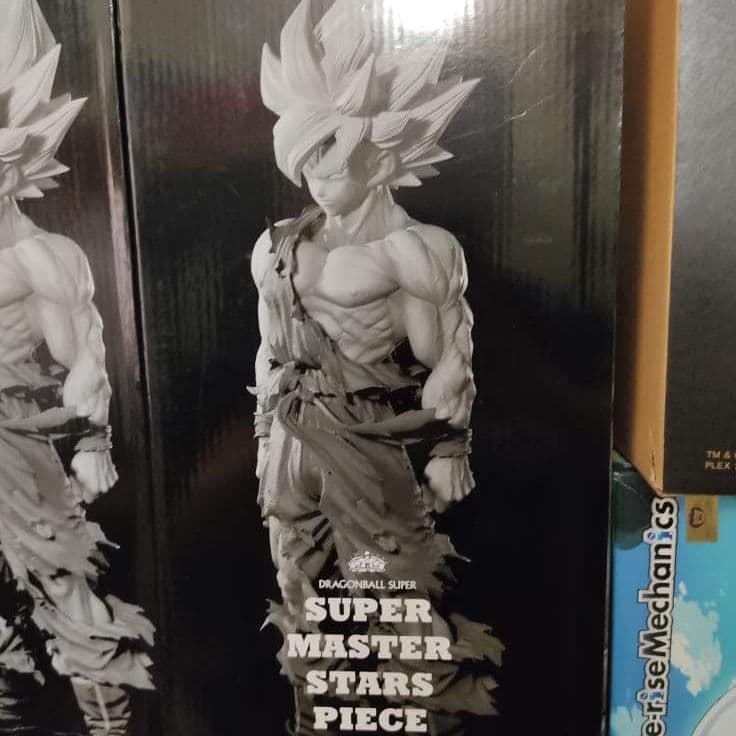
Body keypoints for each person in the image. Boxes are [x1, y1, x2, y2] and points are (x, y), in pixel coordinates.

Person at [252, 2, 502, 733]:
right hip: (293, 437)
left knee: (400, 603)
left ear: (382, 157)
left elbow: (449, 355)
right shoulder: (278, 244)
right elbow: (271, 350)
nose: (318, 176)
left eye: (333, 155)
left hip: (368, 440)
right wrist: (266, 440)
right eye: (308, 158)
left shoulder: (416, 250)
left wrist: (450, 447)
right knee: (303, 603)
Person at [0, 3, 153, 734]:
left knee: (63, 581)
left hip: (15, 438)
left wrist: (93, 440)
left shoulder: (41, 258)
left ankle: (110, 725)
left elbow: (85, 355)